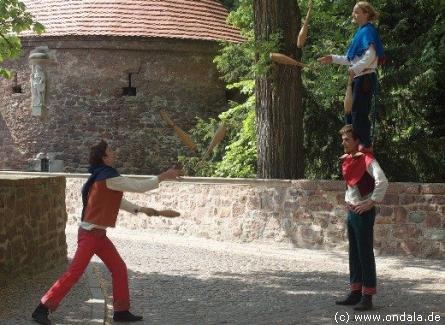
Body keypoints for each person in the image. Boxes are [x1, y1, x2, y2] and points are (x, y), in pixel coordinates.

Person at [32, 140, 182, 324]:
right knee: (74, 273)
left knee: (119, 268)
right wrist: (164, 175)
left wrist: (140, 209)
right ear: (104, 157)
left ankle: (121, 312)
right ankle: (42, 308)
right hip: (89, 235)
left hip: (99, 236)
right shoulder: (108, 177)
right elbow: (139, 186)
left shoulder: (103, 177)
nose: (114, 153)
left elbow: (115, 201)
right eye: (111, 151)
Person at [318, 1, 384, 151]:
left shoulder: (368, 31)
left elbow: (371, 55)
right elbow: (350, 58)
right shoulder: (361, 32)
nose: (353, 14)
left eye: (356, 12)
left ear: (366, 14)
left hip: (365, 77)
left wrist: (355, 68)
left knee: (358, 112)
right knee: (351, 113)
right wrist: (332, 58)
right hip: (358, 77)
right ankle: (356, 145)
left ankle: (365, 145)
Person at [336, 124, 388, 311]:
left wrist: (371, 202)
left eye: (347, 139)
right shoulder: (349, 159)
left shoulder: (367, 159)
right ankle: (355, 292)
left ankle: (368, 296)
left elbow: (382, 180)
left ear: (357, 140)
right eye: (342, 139)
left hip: (363, 213)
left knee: (365, 253)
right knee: (354, 253)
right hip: (352, 211)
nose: (343, 142)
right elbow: (351, 187)